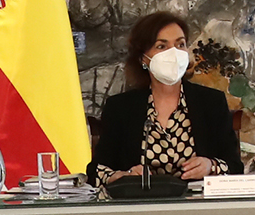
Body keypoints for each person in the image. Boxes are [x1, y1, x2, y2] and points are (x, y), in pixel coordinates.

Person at [90, 11, 243, 184]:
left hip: (197, 207)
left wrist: (211, 166)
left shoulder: (211, 102)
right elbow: (96, 171)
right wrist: (121, 177)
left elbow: (235, 166)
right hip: (142, 206)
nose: (173, 53)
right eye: (162, 46)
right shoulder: (121, 107)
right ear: (143, 58)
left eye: (180, 44)